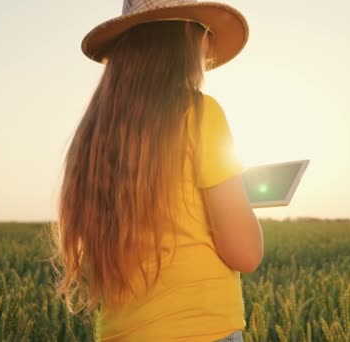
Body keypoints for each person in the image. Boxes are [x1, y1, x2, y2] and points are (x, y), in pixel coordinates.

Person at [49, 0, 263, 341]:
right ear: (185, 35)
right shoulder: (200, 114)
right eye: (206, 32)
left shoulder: (93, 135)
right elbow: (246, 253)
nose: (209, 44)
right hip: (199, 329)